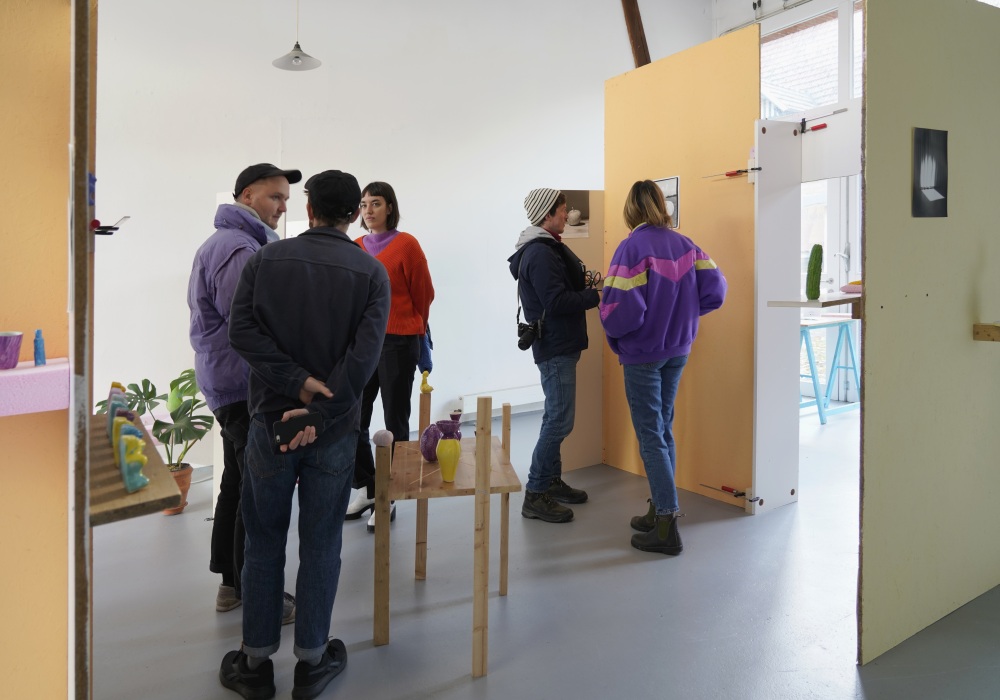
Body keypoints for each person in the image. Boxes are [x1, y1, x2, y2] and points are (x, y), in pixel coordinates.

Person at [221, 170, 390, 699]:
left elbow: (241, 331)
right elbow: (363, 360)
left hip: (270, 423)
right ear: (354, 214)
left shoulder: (265, 261)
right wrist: (320, 410)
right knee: (322, 542)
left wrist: (294, 383)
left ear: (309, 208)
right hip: (334, 432)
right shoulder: (371, 273)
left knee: (263, 540)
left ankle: (254, 663)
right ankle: (313, 661)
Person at [187, 163, 300, 622]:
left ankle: (231, 585)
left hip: (229, 380)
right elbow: (250, 325)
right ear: (248, 196)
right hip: (242, 384)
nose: (283, 206)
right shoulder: (238, 248)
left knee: (236, 482)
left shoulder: (234, 243)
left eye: (286, 198)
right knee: (256, 490)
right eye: (275, 197)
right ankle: (258, 594)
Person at [599, 180, 727, 555]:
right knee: (663, 427)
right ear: (661, 204)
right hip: (678, 350)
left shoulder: (631, 248)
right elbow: (716, 290)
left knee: (650, 433)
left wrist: (616, 332)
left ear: (631, 209)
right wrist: (684, 317)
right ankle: (659, 509)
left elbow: (620, 311)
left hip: (644, 353)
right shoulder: (687, 244)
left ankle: (667, 525)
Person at [507, 188, 600, 523]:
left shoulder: (546, 247)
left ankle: (551, 481)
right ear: (547, 214)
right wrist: (595, 296)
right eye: (562, 209)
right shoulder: (540, 253)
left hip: (559, 342)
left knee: (555, 415)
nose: (567, 214)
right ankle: (535, 492)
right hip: (556, 345)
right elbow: (556, 302)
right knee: (559, 420)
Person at [348, 181, 435, 533]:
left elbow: (424, 293)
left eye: (376, 203)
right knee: (353, 416)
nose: (368, 210)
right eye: (364, 204)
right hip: (362, 343)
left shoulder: (407, 245)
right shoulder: (355, 247)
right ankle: (367, 487)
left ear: (390, 208)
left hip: (398, 341)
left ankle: (392, 492)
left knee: (394, 419)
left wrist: (415, 327)